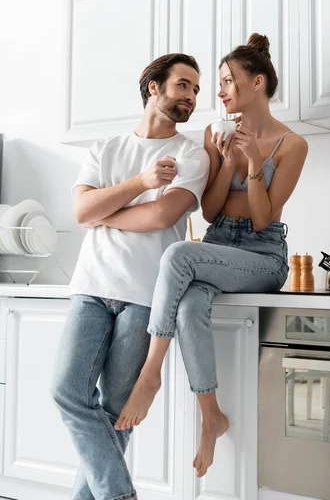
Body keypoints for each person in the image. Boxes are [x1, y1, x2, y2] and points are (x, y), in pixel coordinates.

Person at [114, 33, 309, 478]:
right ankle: (212, 416)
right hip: (219, 244)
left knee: (181, 255)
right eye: (215, 83)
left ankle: (151, 373)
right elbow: (210, 209)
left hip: (262, 256)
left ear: (256, 82)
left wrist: (254, 165)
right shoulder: (214, 133)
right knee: (188, 308)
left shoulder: (292, 145)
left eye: (225, 81)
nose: (217, 92)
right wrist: (222, 163)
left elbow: (262, 219)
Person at [51, 53, 210, 500]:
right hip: (90, 288)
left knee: (117, 413)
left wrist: (104, 210)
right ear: (153, 87)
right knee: (66, 392)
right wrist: (140, 183)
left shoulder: (191, 154)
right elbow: (82, 212)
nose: (192, 97)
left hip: (145, 297)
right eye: (183, 85)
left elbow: (162, 216)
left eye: (196, 90)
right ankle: (120, 496)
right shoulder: (106, 149)